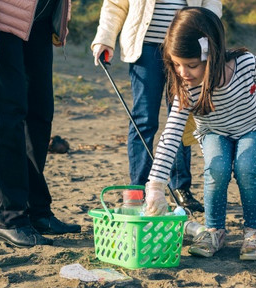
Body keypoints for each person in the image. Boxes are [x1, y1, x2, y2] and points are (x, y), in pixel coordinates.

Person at [142, 7, 256, 261]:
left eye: (191, 65)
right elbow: (171, 135)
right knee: (216, 168)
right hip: (214, 132)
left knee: (245, 167)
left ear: (211, 52)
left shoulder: (245, 64)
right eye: (176, 65)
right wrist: (155, 185)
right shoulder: (186, 90)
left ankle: (255, 231)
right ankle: (214, 230)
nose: (183, 73)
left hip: (252, 129)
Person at [0, 0, 80, 248]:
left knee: (39, 114)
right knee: (5, 114)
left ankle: (35, 210)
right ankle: (6, 217)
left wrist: (60, 17)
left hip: (37, 22)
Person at [91, 0, 224, 213]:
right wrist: (105, 39)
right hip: (146, 48)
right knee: (143, 119)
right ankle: (138, 189)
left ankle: (180, 187)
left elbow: (211, 3)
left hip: (186, 48)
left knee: (182, 118)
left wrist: (206, 32)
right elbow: (115, 4)